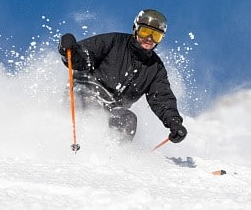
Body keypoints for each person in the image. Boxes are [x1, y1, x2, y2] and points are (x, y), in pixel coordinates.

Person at [58, 9, 187, 144]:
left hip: (113, 106)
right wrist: (70, 50)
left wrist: (174, 122)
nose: (149, 39)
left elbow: (161, 97)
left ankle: (114, 157)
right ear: (135, 29)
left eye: (156, 35)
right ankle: (63, 139)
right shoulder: (114, 42)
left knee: (127, 119)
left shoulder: (155, 68)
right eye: (144, 32)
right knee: (90, 108)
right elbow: (85, 56)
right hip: (86, 91)